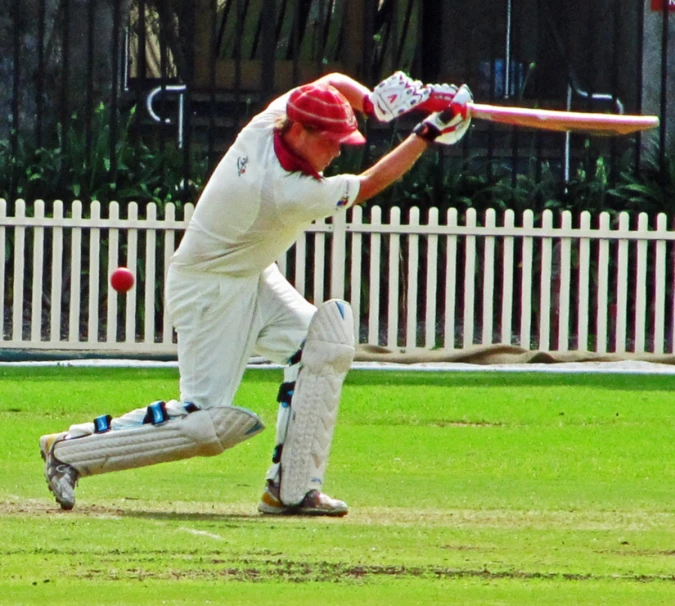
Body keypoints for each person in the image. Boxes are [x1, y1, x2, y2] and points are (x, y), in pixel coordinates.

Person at [39, 71, 473, 516]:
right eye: (332, 140)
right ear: (301, 132)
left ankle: (291, 491)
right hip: (208, 288)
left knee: (323, 343)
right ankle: (69, 451)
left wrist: (373, 104)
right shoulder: (282, 190)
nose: (338, 149)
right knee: (203, 424)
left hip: (252, 275)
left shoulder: (273, 120)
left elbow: (330, 80)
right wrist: (427, 132)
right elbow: (369, 184)